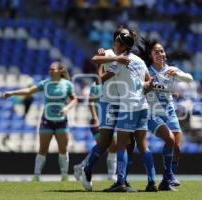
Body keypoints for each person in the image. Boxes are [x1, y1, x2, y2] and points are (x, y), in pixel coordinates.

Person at [80, 27, 136, 192]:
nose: (126, 37)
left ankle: (122, 179)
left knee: (127, 141)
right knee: (105, 142)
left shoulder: (132, 58)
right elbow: (96, 60)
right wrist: (115, 59)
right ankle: (87, 169)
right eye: (122, 35)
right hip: (109, 102)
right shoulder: (110, 53)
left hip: (125, 102)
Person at [1, 62, 77, 181]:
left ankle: (64, 176)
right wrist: (12, 93)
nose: (50, 71)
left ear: (60, 71)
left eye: (53, 69)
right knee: (42, 149)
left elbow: (74, 99)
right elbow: (29, 91)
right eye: (49, 69)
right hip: (47, 120)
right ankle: (36, 176)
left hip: (62, 121)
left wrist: (67, 108)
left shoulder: (67, 85)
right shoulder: (45, 83)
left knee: (63, 149)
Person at [101, 32, 157, 192]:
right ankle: (152, 182)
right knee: (143, 146)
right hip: (142, 106)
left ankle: (120, 182)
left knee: (121, 145)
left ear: (124, 46)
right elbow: (150, 81)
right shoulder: (139, 60)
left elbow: (102, 79)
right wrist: (142, 87)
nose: (114, 45)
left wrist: (100, 66)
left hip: (128, 105)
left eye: (117, 43)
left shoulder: (121, 61)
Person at [136, 37, 193, 190]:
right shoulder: (146, 71)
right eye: (156, 52)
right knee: (170, 139)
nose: (160, 53)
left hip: (169, 112)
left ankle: (166, 182)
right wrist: (147, 85)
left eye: (162, 51)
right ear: (150, 55)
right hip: (152, 113)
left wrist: (177, 75)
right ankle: (168, 175)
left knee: (178, 147)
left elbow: (189, 79)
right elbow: (137, 86)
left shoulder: (171, 70)